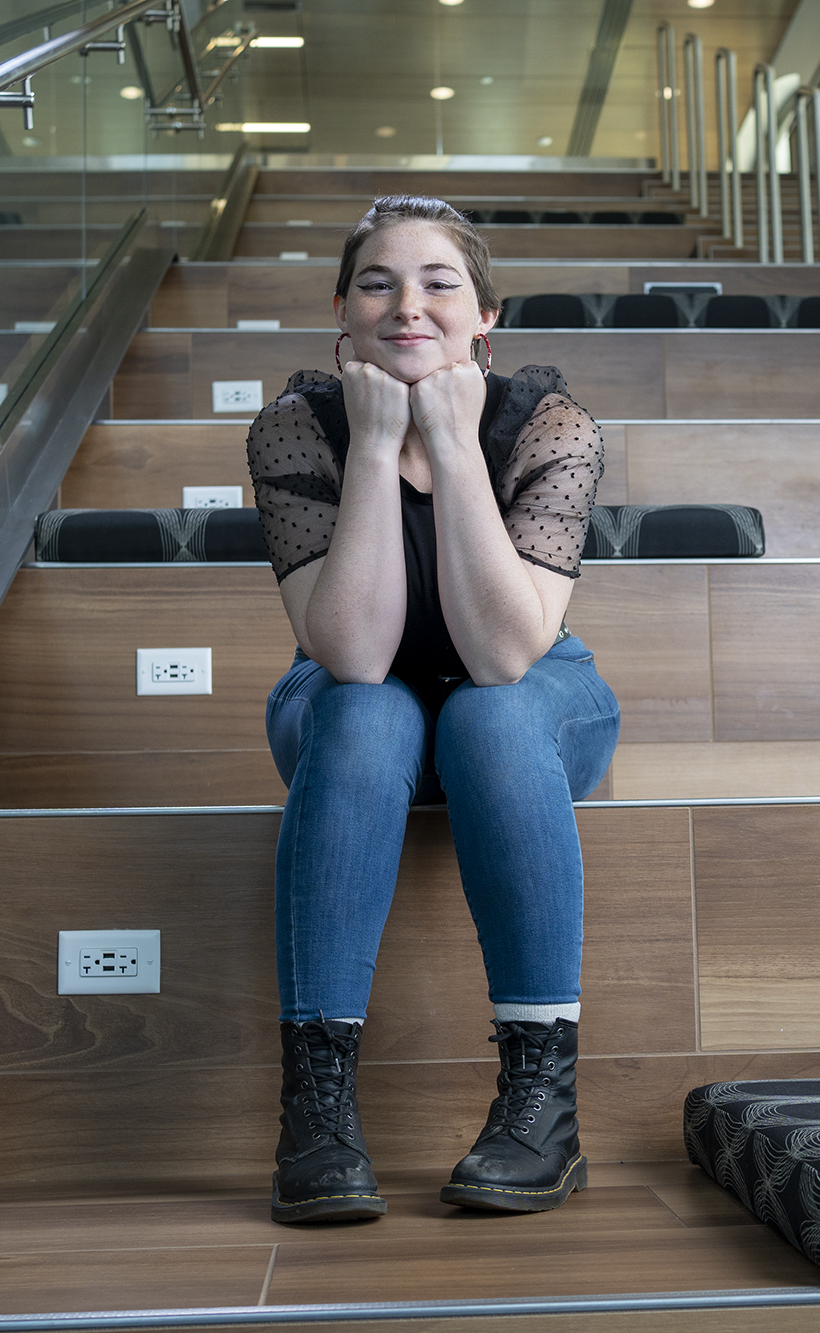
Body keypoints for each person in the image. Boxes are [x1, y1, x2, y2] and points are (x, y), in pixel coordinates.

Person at [244, 196, 620, 1225]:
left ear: (484, 315)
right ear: (341, 309)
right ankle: (316, 1111)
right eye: (377, 282)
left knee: (483, 717)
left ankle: (542, 1106)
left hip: (530, 694)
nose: (406, 305)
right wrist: (373, 447)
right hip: (344, 696)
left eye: (438, 282)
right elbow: (354, 655)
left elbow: (503, 653)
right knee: (368, 715)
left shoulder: (549, 424)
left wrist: (452, 447)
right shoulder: (295, 428)